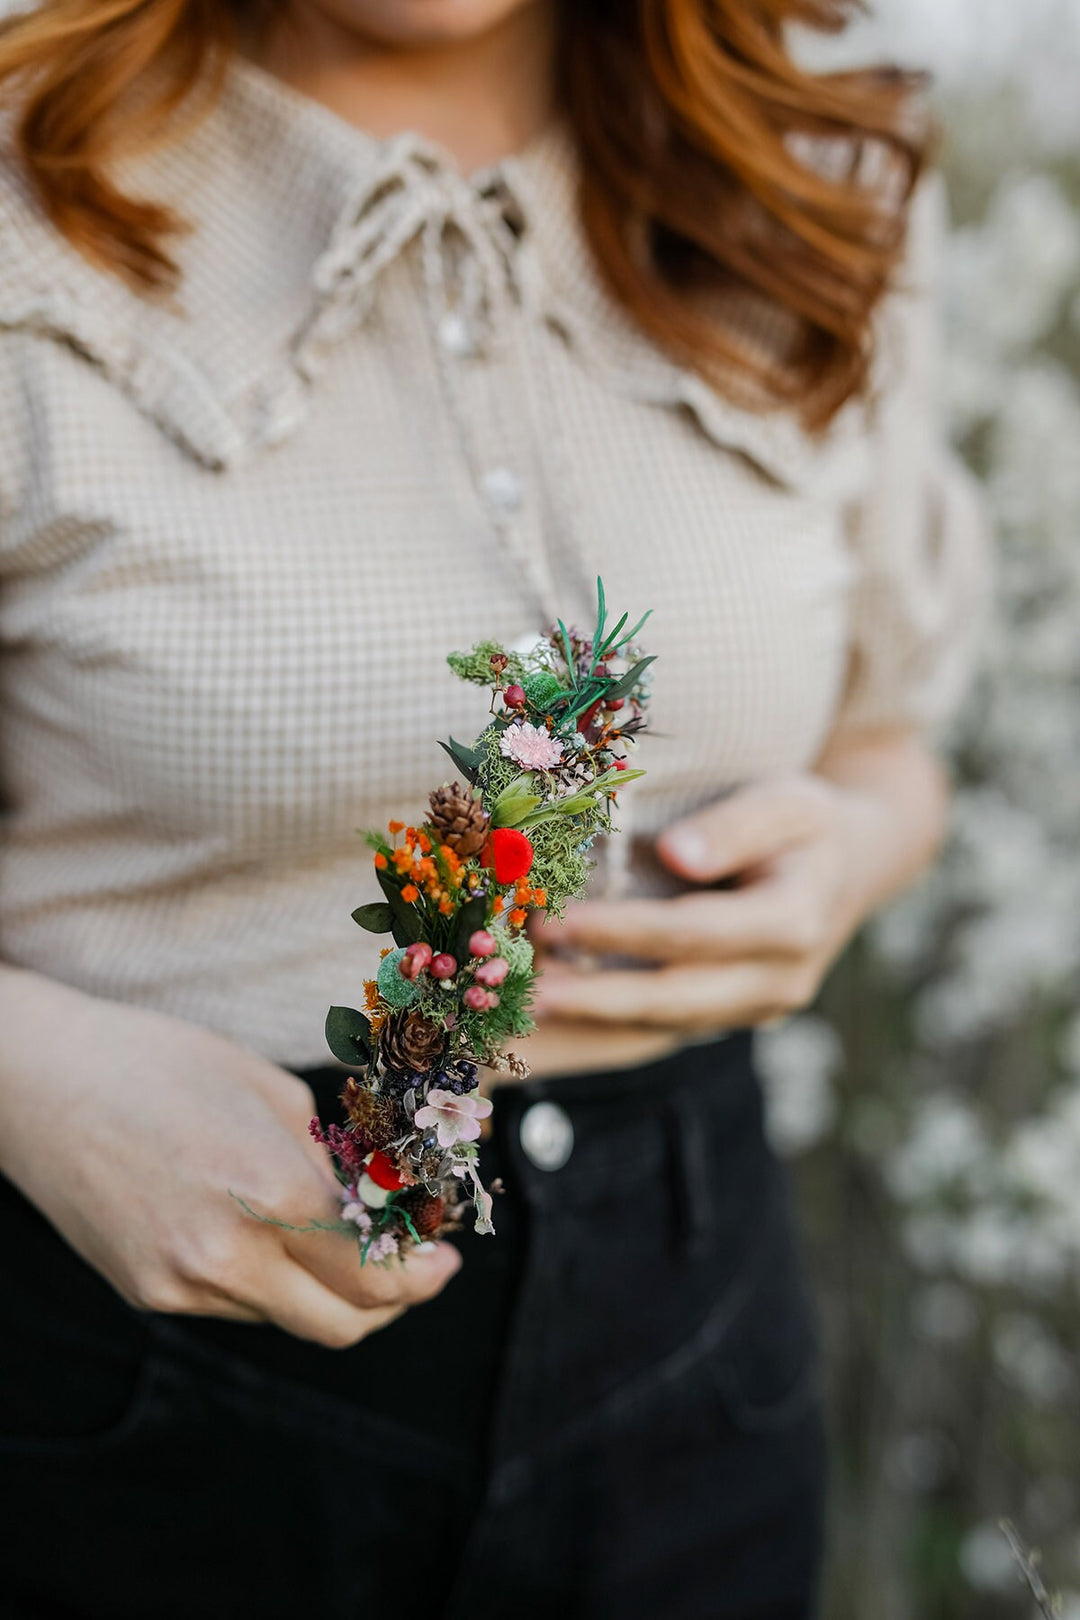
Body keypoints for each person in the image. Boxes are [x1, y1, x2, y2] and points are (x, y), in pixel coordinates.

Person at [0, 1, 985, 1616]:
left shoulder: (825, 155)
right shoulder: (28, 199)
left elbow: (890, 732)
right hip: (126, 1357)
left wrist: (858, 852)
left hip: (693, 1327)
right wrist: (28, 1079)